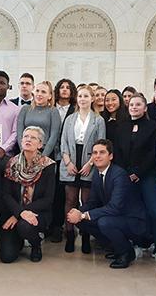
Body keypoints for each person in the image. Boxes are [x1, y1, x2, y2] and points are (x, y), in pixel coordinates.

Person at [67, 139, 147, 269]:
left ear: (111, 156)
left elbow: (115, 207)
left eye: (102, 152)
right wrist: (77, 212)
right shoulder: (98, 175)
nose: (97, 156)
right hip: (116, 217)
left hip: (134, 221)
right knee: (82, 221)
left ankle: (127, 253)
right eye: (95, 153)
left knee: (104, 222)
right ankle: (116, 248)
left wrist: (83, 215)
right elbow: (93, 202)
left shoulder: (119, 174)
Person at [114, 93, 156, 267]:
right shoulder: (121, 127)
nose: (134, 107)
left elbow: (154, 152)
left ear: (145, 108)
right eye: (131, 105)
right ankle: (137, 244)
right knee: (132, 212)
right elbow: (118, 152)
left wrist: (139, 172)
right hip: (126, 175)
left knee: (154, 211)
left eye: (138, 105)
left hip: (147, 175)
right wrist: (128, 172)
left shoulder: (153, 126)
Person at [0, 126, 55, 263]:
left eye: (33, 137)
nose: (28, 139)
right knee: (6, 257)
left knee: (25, 225)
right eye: (25, 136)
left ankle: (36, 244)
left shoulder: (47, 165)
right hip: (13, 212)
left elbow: (48, 199)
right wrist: (19, 213)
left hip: (37, 212)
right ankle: (19, 241)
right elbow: (6, 195)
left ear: (40, 144)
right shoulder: (11, 163)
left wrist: (21, 214)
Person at [60, 85, 105, 253]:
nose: (83, 99)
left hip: (89, 161)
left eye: (86, 96)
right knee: (70, 200)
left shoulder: (98, 120)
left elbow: (101, 144)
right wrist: (68, 162)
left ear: (92, 99)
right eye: (80, 96)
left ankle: (85, 236)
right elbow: (63, 142)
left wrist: (90, 163)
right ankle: (70, 234)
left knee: (87, 202)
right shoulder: (70, 118)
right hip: (71, 159)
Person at [49, 78, 77, 243]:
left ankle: (59, 226)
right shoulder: (51, 108)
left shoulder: (74, 110)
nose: (65, 90)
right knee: (49, 189)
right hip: (50, 153)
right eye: (62, 87)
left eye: (68, 87)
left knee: (62, 193)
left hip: (66, 156)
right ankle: (49, 224)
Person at [17, 81, 61, 157]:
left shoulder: (53, 111)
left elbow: (54, 136)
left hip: (45, 152)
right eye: (37, 91)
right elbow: (19, 133)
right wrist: (24, 152)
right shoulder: (25, 109)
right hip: (25, 151)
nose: (39, 94)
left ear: (50, 96)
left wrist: (43, 157)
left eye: (43, 92)